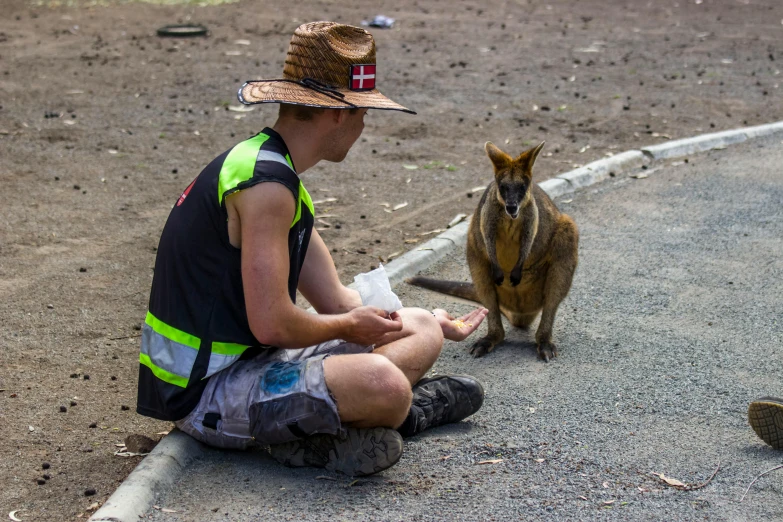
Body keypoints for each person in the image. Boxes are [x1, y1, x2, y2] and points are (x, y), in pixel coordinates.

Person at [136, 21, 489, 477]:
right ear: (338, 113)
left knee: (419, 324)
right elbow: (273, 325)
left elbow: (338, 302)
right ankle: (406, 413)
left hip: (253, 365)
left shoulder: (277, 175)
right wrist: (350, 327)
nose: (364, 125)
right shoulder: (266, 188)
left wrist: (428, 323)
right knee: (384, 383)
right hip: (205, 391)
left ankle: (356, 424)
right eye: (363, 112)